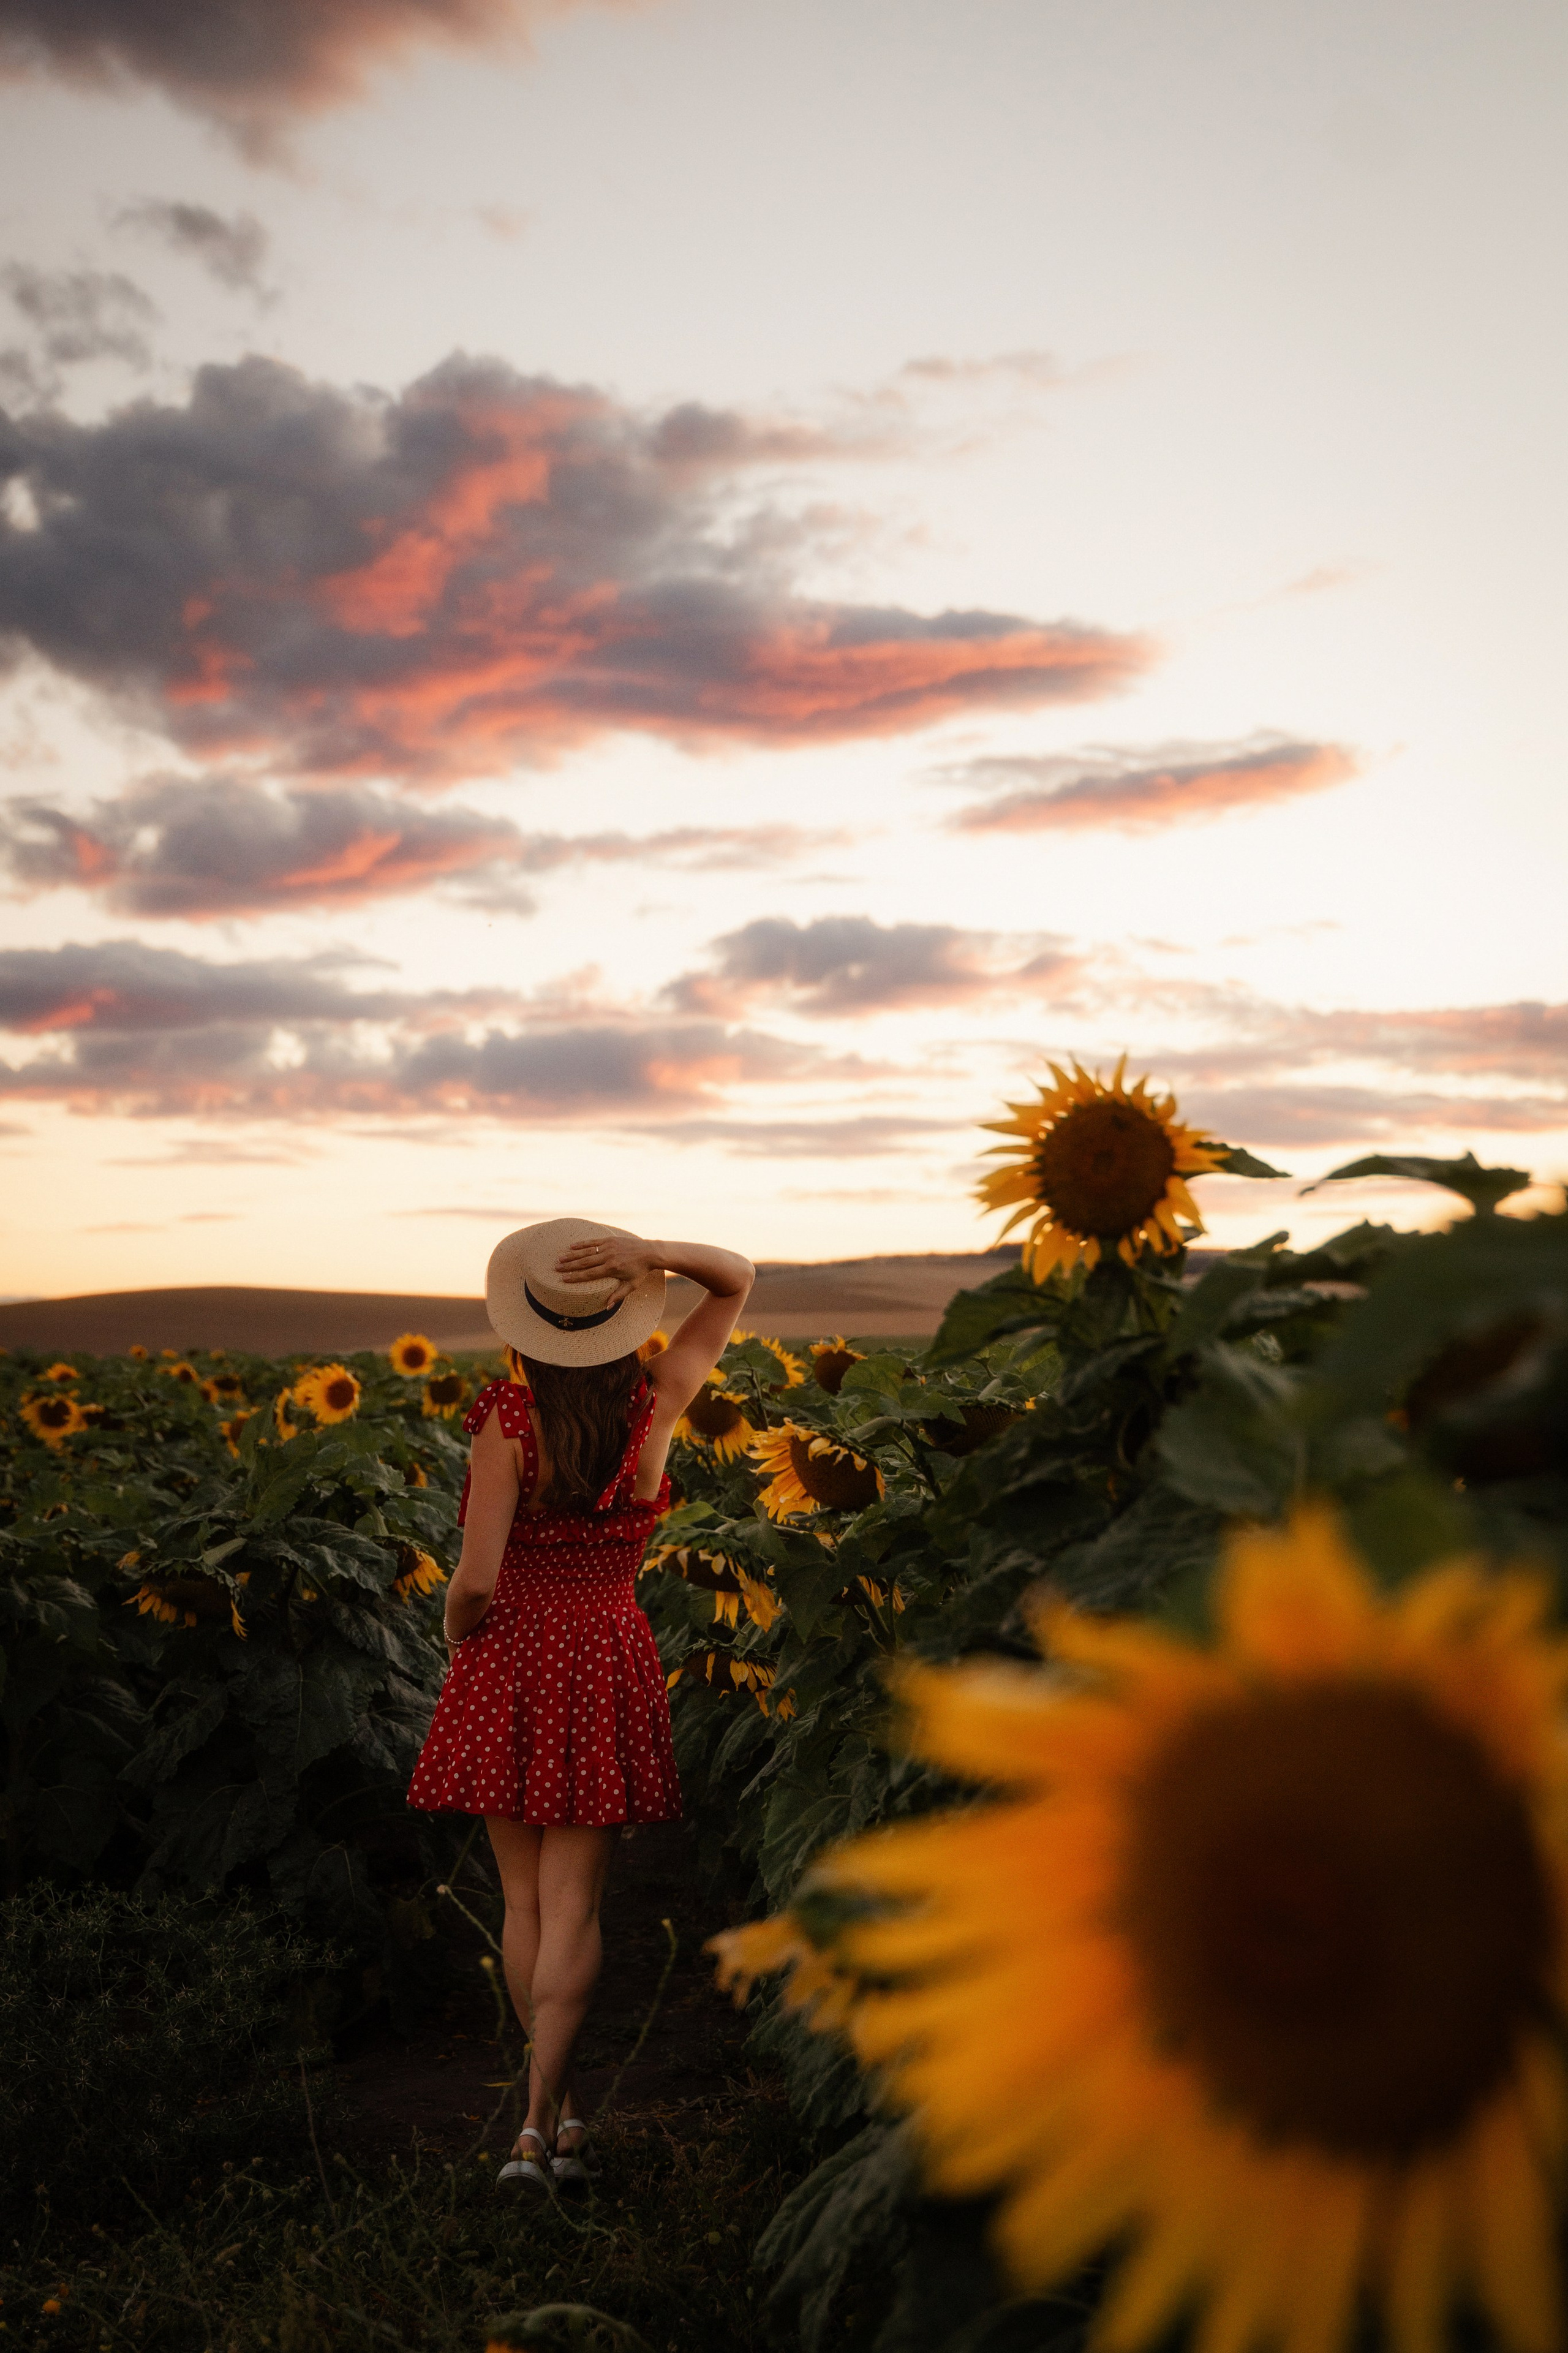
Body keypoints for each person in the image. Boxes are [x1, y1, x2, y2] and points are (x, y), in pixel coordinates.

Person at [407, 1218, 754, 2194]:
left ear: (525, 1327)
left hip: (511, 1659)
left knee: (520, 1902)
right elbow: (737, 1279)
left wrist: (452, 1634)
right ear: (624, 1322)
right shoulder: (658, 1404)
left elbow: (474, 1580)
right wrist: (659, 1254)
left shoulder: (506, 1422)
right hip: (606, 1654)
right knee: (577, 1905)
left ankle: (540, 2122)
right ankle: (547, 2120)